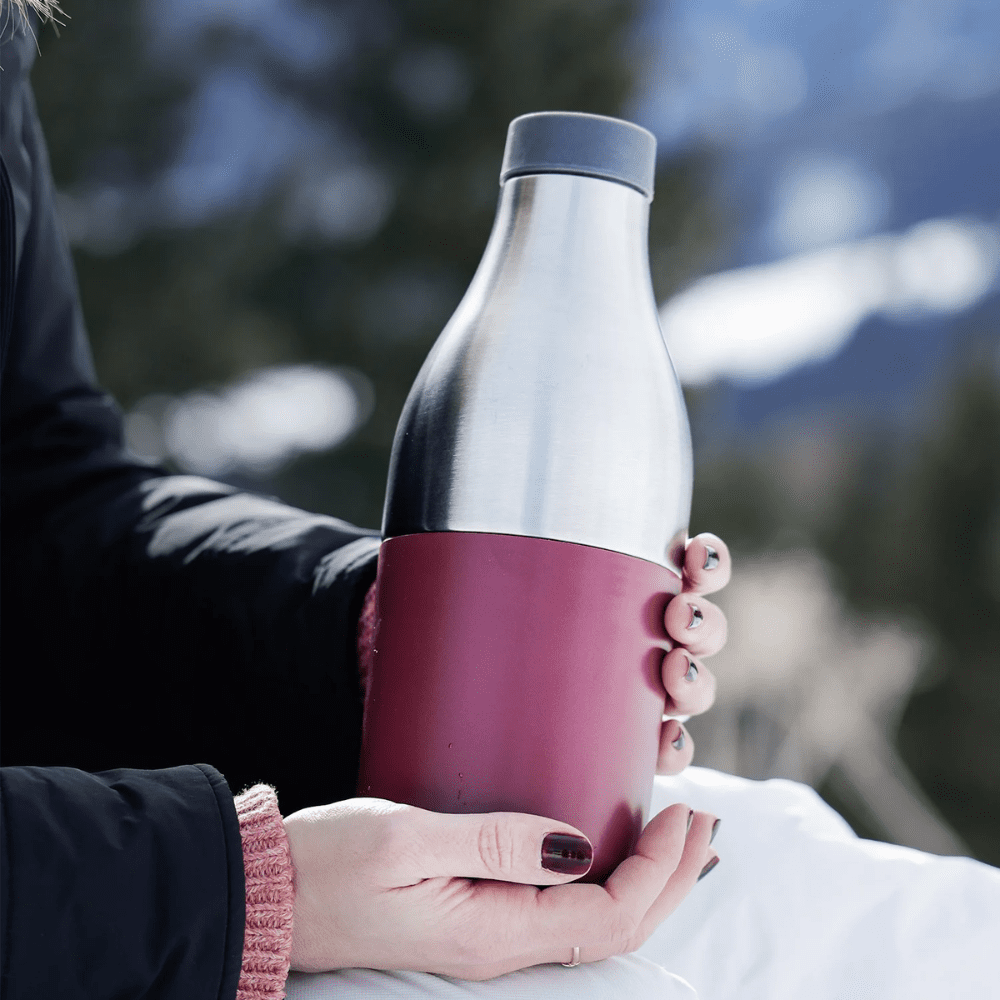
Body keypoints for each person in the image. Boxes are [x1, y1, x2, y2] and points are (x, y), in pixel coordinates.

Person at [0, 4, 732, 997]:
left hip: (91, 856)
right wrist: (245, 890)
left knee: (778, 866)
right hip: (105, 904)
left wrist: (376, 636)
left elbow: (36, 489)